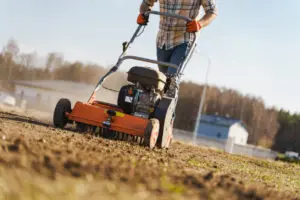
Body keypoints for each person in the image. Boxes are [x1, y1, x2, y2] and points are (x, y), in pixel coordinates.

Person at [137, 0, 217, 96]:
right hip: (162, 40)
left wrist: (200, 24)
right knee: (161, 81)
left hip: (184, 40)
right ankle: (151, 105)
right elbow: (146, 3)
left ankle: (164, 106)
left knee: (171, 80)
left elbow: (212, 11)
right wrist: (142, 14)